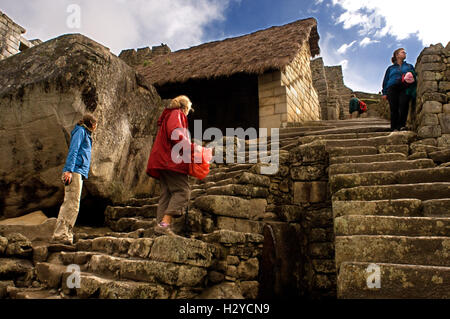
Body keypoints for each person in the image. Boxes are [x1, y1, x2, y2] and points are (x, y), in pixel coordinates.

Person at [146, 95, 194, 236]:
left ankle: (160, 227)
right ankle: (165, 223)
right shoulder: (177, 114)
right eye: (188, 110)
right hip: (171, 161)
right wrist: (191, 148)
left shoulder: (168, 115)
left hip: (163, 160)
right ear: (184, 108)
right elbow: (176, 133)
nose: (187, 114)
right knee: (183, 191)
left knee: (166, 194)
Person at [51, 114, 98, 245]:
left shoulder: (86, 133)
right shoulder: (81, 131)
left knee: (74, 205)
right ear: (91, 123)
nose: (96, 127)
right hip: (74, 171)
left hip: (79, 171)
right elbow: (74, 149)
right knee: (71, 203)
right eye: (95, 124)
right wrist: (69, 170)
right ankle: (60, 234)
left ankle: (66, 233)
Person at [382, 48, 417, 131]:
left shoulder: (409, 66)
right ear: (397, 55)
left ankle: (401, 125)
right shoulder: (390, 68)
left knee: (404, 105)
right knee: (394, 107)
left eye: (405, 52)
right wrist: (384, 92)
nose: (405, 53)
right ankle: (393, 127)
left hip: (405, 86)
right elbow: (386, 80)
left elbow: (414, 75)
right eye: (403, 52)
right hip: (392, 87)